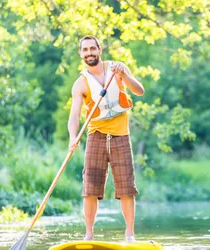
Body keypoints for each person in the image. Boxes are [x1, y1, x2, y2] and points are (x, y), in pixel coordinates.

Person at [67, 35, 144, 243]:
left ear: (100, 50)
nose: (89, 53)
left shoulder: (117, 69)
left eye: (93, 48)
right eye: (85, 50)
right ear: (81, 54)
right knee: (90, 189)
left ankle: (129, 234)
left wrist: (124, 76)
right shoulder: (80, 84)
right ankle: (89, 235)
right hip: (96, 136)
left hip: (121, 136)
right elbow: (74, 115)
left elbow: (140, 91)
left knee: (126, 189)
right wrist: (72, 138)